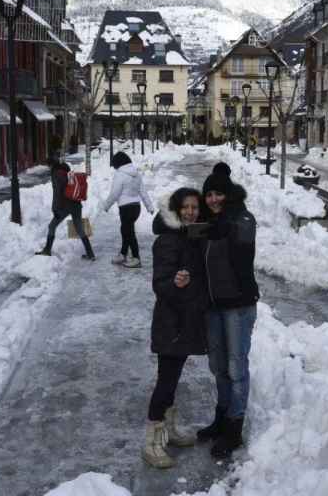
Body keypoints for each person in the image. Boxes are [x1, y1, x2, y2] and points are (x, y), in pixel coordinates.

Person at [143, 187, 209, 469]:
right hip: (171, 323)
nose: (191, 212)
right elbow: (160, 284)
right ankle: (152, 439)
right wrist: (175, 282)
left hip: (185, 321)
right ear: (176, 209)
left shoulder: (192, 235)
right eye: (185, 207)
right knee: (166, 380)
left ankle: (168, 429)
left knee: (172, 376)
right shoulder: (169, 240)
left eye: (195, 207)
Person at [197, 162, 259, 459]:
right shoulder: (206, 225)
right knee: (218, 368)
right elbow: (166, 223)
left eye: (219, 194)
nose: (213, 200)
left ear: (229, 195)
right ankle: (221, 418)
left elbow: (244, 243)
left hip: (238, 307)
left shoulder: (242, 219)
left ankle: (234, 428)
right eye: (209, 195)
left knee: (236, 368)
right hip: (213, 308)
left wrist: (226, 228)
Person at [100, 151, 154, 268]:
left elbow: (115, 193)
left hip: (126, 208)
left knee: (128, 232)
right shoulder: (136, 173)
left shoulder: (120, 174)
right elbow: (143, 191)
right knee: (126, 230)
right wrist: (149, 206)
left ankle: (136, 258)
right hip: (136, 207)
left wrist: (106, 205)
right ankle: (123, 254)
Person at [36, 158, 96, 260]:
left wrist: (55, 209)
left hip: (65, 205)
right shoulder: (68, 172)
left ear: (51, 166)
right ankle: (90, 254)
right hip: (76, 204)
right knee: (79, 228)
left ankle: (47, 250)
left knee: (52, 226)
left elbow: (57, 193)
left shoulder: (56, 174)